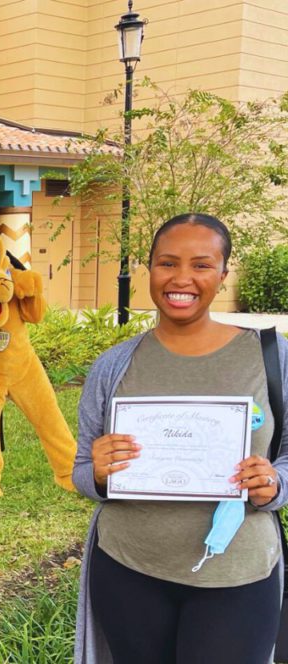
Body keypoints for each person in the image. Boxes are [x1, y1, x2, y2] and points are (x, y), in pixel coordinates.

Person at [72, 213, 288, 664]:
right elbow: (81, 472)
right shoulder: (114, 365)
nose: (182, 279)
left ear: (224, 273)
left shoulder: (272, 357)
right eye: (168, 263)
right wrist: (98, 472)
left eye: (202, 265)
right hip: (129, 567)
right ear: (149, 269)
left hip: (238, 572)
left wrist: (274, 483)